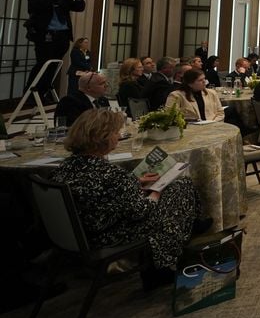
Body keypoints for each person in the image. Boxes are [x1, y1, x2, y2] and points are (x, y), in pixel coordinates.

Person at [50, 108, 201, 289]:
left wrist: (135, 181)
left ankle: (186, 229)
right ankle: (160, 267)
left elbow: (102, 192)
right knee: (179, 188)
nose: (118, 136)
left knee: (174, 192)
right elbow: (142, 211)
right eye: (115, 132)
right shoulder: (112, 175)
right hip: (107, 236)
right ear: (103, 137)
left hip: (79, 233)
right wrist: (157, 190)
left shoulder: (65, 167)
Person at [25, 0, 86, 95]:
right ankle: (31, 92)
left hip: (62, 35)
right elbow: (38, 7)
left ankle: (44, 91)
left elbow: (78, 8)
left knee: (54, 65)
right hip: (45, 35)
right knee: (43, 64)